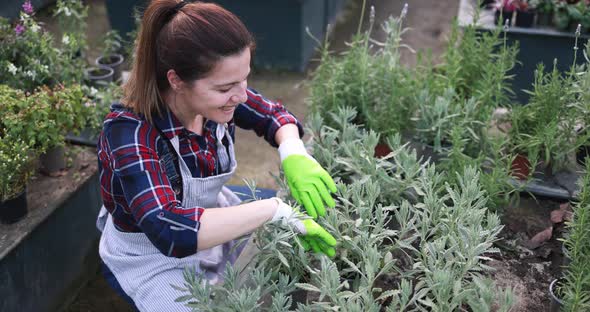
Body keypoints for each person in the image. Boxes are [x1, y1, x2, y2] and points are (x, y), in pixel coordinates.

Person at [95, 0, 338, 311]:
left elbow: (274, 116)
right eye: (225, 87)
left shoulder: (218, 100)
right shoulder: (129, 132)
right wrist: (274, 211)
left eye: (244, 78)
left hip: (209, 215)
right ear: (176, 80)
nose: (240, 95)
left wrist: (293, 152)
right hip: (153, 256)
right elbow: (169, 229)